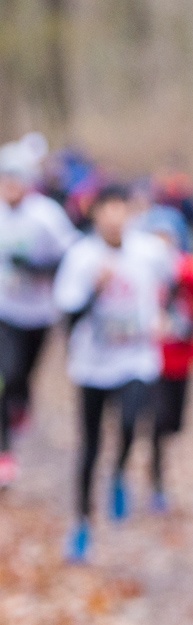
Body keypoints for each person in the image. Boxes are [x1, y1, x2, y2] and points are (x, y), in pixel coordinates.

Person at [54, 184, 175, 560]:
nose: (114, 215)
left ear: (130, 212)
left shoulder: (150, 251)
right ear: (95, 214)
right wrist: (95, 289)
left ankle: (120, 472)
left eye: (121, 207)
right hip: (92, 364)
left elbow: (169, 285)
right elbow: (67, 318)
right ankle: (81, 523)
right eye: (107, 208)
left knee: (130, 422)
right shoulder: (81, 256)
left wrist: (162, 314)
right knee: (89, 444)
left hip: (136, 358)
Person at [0, 134, 78, 488]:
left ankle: (21, 403)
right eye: (4, 179)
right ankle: (5, 451)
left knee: (24, 376)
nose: (9, 186)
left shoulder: (46, 214)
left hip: (39, 312)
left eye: (15, 179)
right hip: (5, 310)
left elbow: (73, 257)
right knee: (7, 373)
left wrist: (37, 268)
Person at [137, 205, 193, 512]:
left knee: (174, 423)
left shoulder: (185, 266)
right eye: (155, 236)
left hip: (181, 358)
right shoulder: (140, 267)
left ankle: (158, 471)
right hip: (150, 358)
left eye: (167, 237)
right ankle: (156, 481)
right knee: (156, 421)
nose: (161, 244)